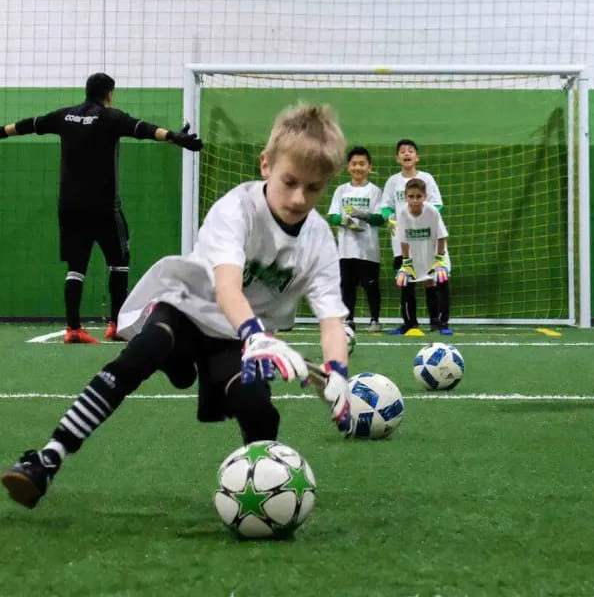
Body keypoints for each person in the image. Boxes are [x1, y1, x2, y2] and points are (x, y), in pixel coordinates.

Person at [1, 102, 353, 509]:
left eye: (313, 188)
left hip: (232, 338)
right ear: (265, 164)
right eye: (289, 181)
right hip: (188, 309)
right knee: (143, 352)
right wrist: (256, 336)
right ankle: (47, 459)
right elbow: (226, 288)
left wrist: (338, 373)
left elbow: (332, 317)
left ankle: (263, 495)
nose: (298, 198)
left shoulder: (319, 240)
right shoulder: (236, 209)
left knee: (257, 407)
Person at [0, 73, 202, 344]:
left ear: (87, 91)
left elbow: (30, 125)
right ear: (109, 94)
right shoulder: (111, 117)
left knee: (76, 267)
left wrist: (1, 132)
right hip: (105, 207)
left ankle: (73, 329)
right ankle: (116, 325)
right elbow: (143, 129)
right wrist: (174, 137)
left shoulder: (65, 116)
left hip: (70, 207)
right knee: (118, 264)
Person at [377, 139, 447, 335]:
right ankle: (409, 322)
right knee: (406, 279)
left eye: (410, 151)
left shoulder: (427, 178)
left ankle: (435, 321)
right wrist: (389, 217)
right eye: (402, 151)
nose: (406, 153)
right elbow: (385, 206)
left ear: (417, 157)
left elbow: (437, 205)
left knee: (429, 280)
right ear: (397, 158)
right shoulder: (392, 181)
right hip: (402, 240)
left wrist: (422, 217)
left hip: (424, 239)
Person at [327, 146, 384, 332]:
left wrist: (364, 215)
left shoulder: (374, 191)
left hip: (368, 249)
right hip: (346, 248)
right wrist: (345, 222)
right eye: (354, 164)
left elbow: (380, 218)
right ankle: (348, 319)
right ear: (348, 167)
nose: (358, 167)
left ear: (369, 167)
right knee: (347, 285)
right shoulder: (341, 190)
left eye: (362, 164)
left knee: (370, 285)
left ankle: (374, 320)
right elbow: (333, 216)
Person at [394, 178, 452, 335]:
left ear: (424, 196)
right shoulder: (403, 213)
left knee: (433, 283)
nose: (414, 200)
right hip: (417, 251)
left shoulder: (432, 212)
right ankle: (410, 324)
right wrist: (406, 263)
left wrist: (439, 260)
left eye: (418, 196)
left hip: (435, 252)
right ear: (405, 197)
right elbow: (404, 241)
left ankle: (438, 323)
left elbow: (441, 237)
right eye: (411, 196)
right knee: (409, 282)